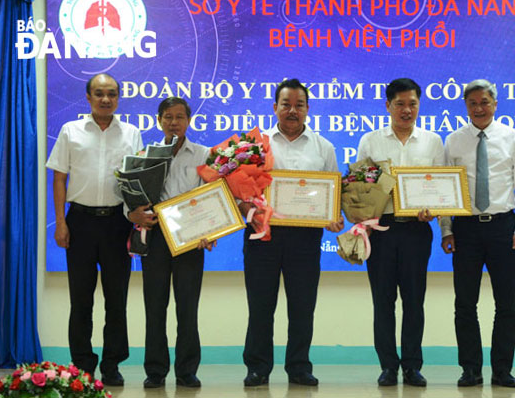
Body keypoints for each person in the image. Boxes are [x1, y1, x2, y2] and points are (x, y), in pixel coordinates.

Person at [239, 79, 344, 387]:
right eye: (286, 104)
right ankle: (257, 367)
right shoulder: (254, 146)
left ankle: (299, 367)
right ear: (275, 108)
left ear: (308, 109)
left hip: (304, 239)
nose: (292, 111)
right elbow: (239, 190)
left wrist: (332, 217)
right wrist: (249, 208)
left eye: (299, 105)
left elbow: (332, 195)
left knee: (302, 307)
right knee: (260, 306)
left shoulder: (323, 147)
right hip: (262, 235)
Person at [46, 73, 143, 386]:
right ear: (88, 98)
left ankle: (112, 365)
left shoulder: (131, 133)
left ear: (118, 98)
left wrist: (135, 220)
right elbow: (59, 178)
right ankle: (83, 365)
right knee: (81, 299)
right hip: (80, 222)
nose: (106, 99)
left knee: (117, 300)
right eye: (99, 93)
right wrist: (60, 222)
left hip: (118, 223)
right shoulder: (70, 131)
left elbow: (137, 181)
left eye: (112, 94)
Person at [440, 79, 515, 388]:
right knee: (465, 304)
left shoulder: (512, 138)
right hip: (465, 229)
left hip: (503, 228)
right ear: (465, 107)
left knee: (506, 304)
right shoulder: (453, 141)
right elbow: (445, 189)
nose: (479, 108)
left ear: (495, 104)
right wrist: (446, 229)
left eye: (484, 102)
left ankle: (502, 370)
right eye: (472, 104)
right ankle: (471, 369)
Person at [356, 78, 444, 387]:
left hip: (417, 231)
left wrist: (440, 218)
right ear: (388, 106)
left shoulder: (433, 142)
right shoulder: (370, 141)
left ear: (419, 105)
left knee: (414, 301)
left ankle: (412, 366)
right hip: (381, 231)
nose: (407, 110)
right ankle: (388, 367)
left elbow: (444, 188)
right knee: (383, 301)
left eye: (413, 104)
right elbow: (359, 187)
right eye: (400, 104)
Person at [127, 97, 215, 389]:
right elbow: (131, 196)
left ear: (189, 121)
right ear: (159, 121)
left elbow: (211, 197)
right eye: (167, 117)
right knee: (155, 305)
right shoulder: (146, 155)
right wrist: (133, 212)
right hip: (156, 236)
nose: (173, 122)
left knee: (188, 307)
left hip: (191, 238)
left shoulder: (204, 154)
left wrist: (209, 230)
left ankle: (187, 370)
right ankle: (155, 370)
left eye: (179, 117)